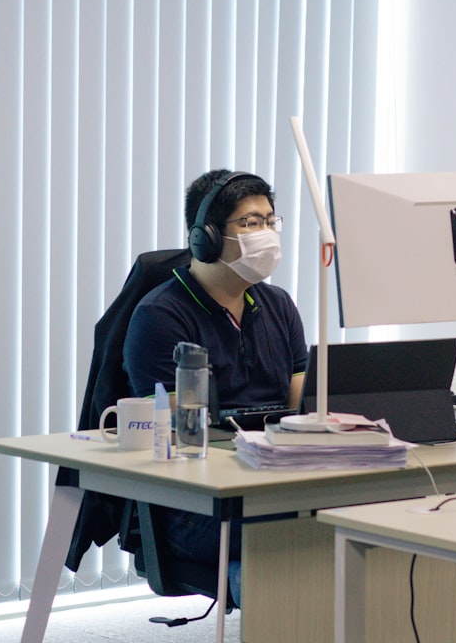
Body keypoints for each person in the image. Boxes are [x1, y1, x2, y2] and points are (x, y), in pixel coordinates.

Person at [123, 169, 308, 606]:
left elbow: (304, 405)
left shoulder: (278, 304)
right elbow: (177, 433)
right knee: (301, 528)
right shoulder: (160, 315)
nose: (265, 233)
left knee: (356, 512)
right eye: (249, 223)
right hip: (194, 506)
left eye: (269, 220)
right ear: (205, 237)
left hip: (270, 483)